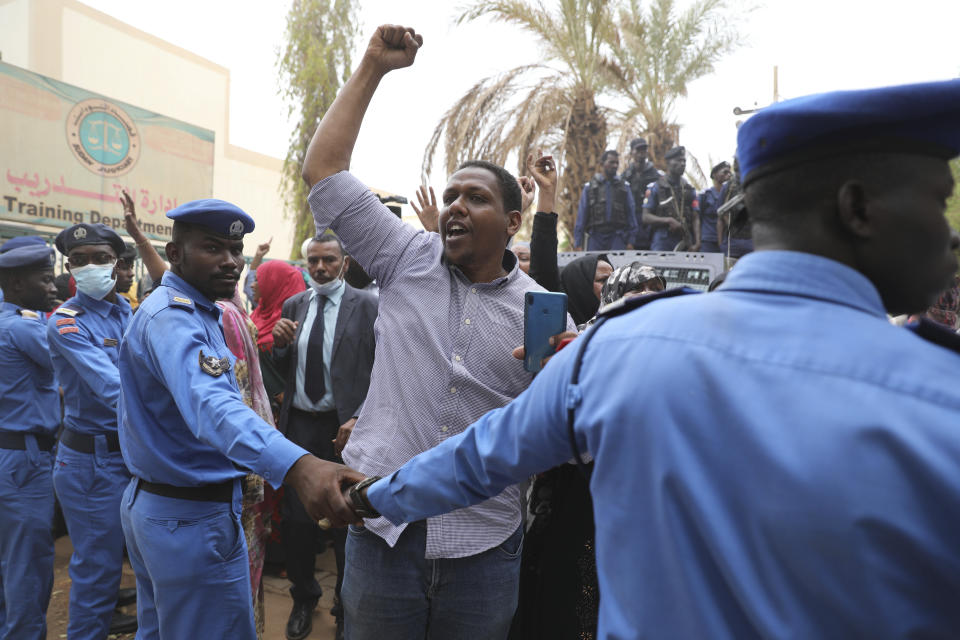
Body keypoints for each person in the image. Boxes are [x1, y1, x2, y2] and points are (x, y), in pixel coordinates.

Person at [331, 79, 960, 638]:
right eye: (937, 201)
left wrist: (368, 500)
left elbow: (477, 458)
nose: (949, 232)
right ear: (857, 209)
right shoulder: (940, 402)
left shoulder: (616, 351)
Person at [299, 25, 574, 639]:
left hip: (484, 548)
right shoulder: (404, 256)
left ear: (511, 220)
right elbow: (323, 169)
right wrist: (373, 65)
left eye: (473, 198)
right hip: (381, 536)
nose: (453, 206)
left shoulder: (543, 312)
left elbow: (561, 430)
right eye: (449, 195)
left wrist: (564, 374)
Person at [117, 199, 361, 640]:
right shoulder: (174, 317)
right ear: (175, 255)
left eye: (236, 249)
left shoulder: (202, 310)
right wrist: (299, 467)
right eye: (213, 248)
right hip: (190, 515)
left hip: (175, 508)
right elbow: (214, 406)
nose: (231, 261)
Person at [271, 233, 378, 640]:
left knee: (346, 518)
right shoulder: (294, 304)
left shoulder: (367, 305)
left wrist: (361, 416)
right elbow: (285, 367)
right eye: (313, 260)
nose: (320, 268)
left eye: (328, 260)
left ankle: (346, 608)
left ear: (345, 263)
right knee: (297, 522)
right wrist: (279, 346)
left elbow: (384, 366)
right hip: (299, 426)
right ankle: (303, 597)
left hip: (346, 429)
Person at [47, 223, 138, 638]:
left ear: (117, 264)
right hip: (91, 463)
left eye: (100, 258)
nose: (90, 267)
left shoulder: (128, 312)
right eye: (79, 261)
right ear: (69, 268)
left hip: (131, 455)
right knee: (98, 574)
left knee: (132, 565)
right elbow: (115, 390)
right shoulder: (66, 323)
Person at [0, 243, 59, 640]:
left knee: (9, 565)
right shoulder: (24, 328)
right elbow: (78, 365)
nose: (53, 284)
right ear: (17, 283)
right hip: (26, 460)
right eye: (44, 278)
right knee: (28, 569)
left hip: (9, 454)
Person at [217, 288, 277, 640]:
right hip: (254, 459)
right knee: (246, 561)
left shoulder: (224, 316)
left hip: (236, 464)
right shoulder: (237, 312)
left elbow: (237, 396)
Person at [573, 150, 638, 251]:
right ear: (602, 164)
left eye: (617, 163)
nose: (615, 165)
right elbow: (581, 217)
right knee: (594, 265)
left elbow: (631, 215)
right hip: (595, 237)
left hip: (617, 237)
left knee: (617, 266)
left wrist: (631, 241)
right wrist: (578, 243)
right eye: (611, 162)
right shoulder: (590, 187)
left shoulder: (624, 187)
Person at [643, 146, 701, 251]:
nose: (682, 164)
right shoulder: (656, 187)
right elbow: (646, 217)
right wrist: (668, 220)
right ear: (668, 163)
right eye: (678, 160)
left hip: (684, 238)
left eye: (684, 161)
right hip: (663, 238)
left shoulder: (689, 189)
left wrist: (697, 242)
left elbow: (695, 217)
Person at [620, 137, 663, 250]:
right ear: (631, 152)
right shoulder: (625, 176)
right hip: (631, 222)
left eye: (644, 149)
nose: (641, 153)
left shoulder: (656, 175)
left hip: (650, 221)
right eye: (638, 150)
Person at [699, 161, 731, 253]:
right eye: (725, 172)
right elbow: (697, 217)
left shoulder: (730, 196)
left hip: (726, 241)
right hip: (708, 241)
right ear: (714, 175)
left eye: (729, 173)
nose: (728, 175)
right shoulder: (705, 195)